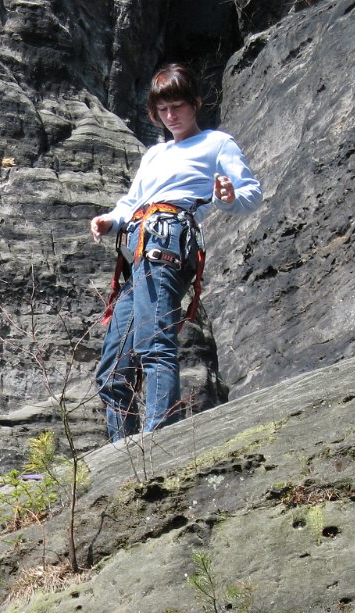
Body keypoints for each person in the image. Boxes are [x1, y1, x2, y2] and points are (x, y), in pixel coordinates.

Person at [91, 63, 262, 442]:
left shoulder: (218, 143)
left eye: (179, 106)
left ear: (196, 104)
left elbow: (251, 193)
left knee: (154, 344)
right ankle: (122, 453)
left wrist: (229, 198)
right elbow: (132, 202)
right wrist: (110, 221)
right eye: (163, 110)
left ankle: (156, 440)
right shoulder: (154, 154)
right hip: (138, 246)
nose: (172, 116)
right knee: (112, 368)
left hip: (168, 240)